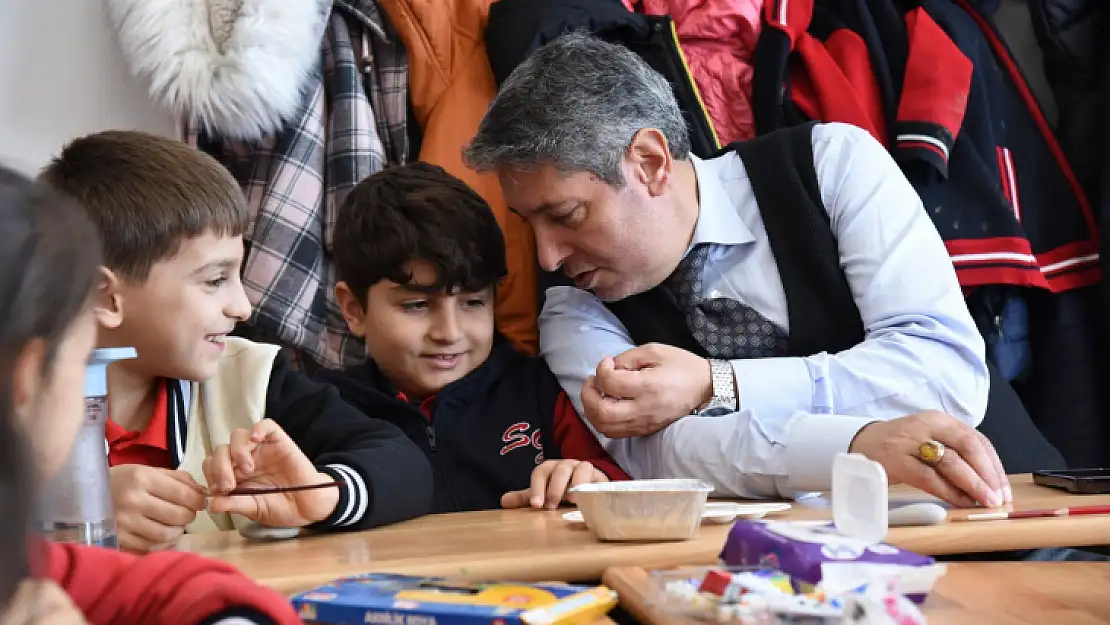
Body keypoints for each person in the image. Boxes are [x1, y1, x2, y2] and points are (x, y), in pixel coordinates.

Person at [464, 32, 1009, 508]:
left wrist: (716, 385)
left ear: (650, 163)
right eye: (528, 224)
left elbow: (945, 374)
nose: (546, 257)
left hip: (994, 514)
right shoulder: (570, 305)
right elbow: (664, 461)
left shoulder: (832, 165)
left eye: (564, 216)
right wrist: (853, 447)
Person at [38, 130, 434, 552]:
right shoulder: (19, 401)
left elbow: (406, 465)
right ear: (106, 297)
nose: (242, 308)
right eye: (215, 280)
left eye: (236, 276)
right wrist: (72, 510)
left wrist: (322, 494)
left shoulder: (250, 375)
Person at [0, 166, 300, 624]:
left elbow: (166, 588)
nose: (243, 307)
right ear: (29, 375)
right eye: (83, 357)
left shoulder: (23, 562)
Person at [316, 163, 629, 512]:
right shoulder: (322, 409)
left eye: (472, 302)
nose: (449, 333)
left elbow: (624, 491)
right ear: (354, 309)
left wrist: (587, 480)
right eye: (417, 305)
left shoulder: (545, 392)